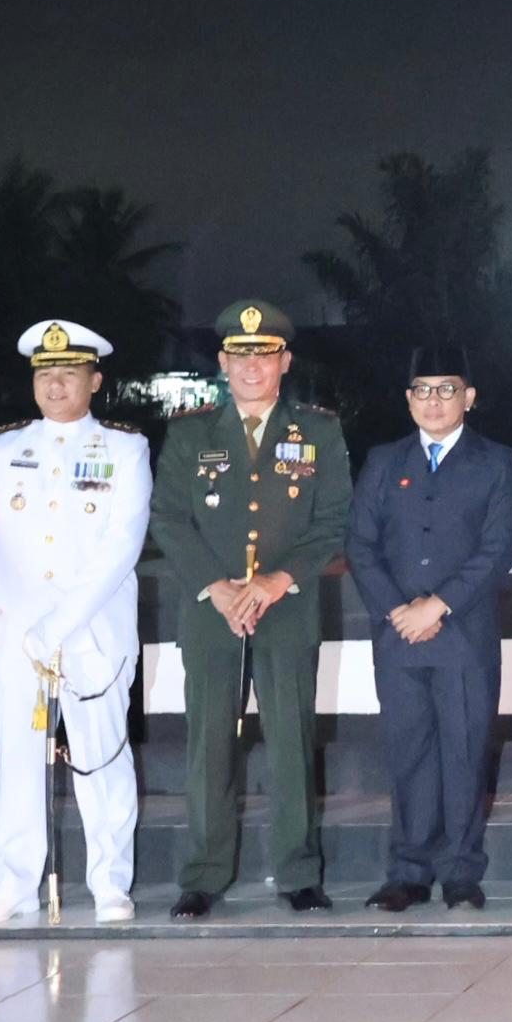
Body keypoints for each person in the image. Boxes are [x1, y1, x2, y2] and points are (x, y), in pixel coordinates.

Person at [0, 321, 150, 926]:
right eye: (44, 373)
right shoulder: (4, 449)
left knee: (102, 758)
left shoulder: (123, 448)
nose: (55, 384)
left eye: (68, 373)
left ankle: (110, 883)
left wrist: (59, 624)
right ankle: (11, 885)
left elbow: (121, 546)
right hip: (15, 636)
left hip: (92, 634)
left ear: (95, 381)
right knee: (18, 760)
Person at [153, 300, 353, 919]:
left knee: (292, 739)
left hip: (286, 605)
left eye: (264, 354)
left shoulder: (319, 432)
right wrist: (216, 586)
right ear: (222, 362)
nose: (251, 366)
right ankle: (206, 874)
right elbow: (170, 519)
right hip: (211, 608)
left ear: (284, 362)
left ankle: (298, 873)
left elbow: (333, 522)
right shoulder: (191, 433)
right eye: (240, 355)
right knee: (210, 741)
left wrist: (275, 580)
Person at [344, 346, 512, 911]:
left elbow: (497, 548)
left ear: (469, 398)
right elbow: (361, 546)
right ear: (407, 399)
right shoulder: (383, 460)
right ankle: (409, 871)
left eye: (447, 389)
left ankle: (462, 872)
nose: (434, 401)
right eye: (423, 390)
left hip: (464, 635)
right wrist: (400, 611)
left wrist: (437, 606)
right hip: (396, 635)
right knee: (408, 752)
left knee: (465, 752)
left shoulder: (496, 462)